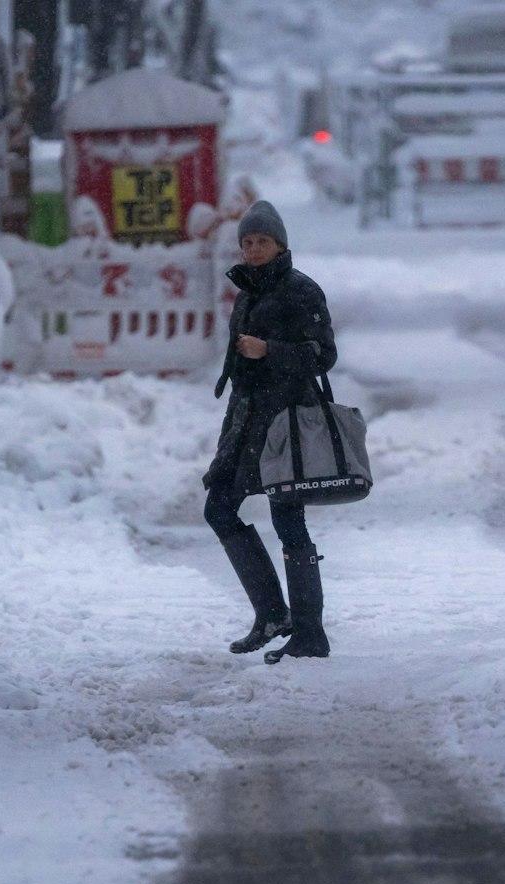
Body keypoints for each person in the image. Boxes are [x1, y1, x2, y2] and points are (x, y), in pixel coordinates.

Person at [203, 200, 337, 664]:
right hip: (246, 422)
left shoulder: (301, 291)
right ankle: (272, 615)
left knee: (288, 522)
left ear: (280, 245)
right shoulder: (247, 292)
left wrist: (271, 351)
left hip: (286, 422)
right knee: (218, 507)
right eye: (247, 242)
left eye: (262, 241)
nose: (253, 249)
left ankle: (309, 633)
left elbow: (323, 356)